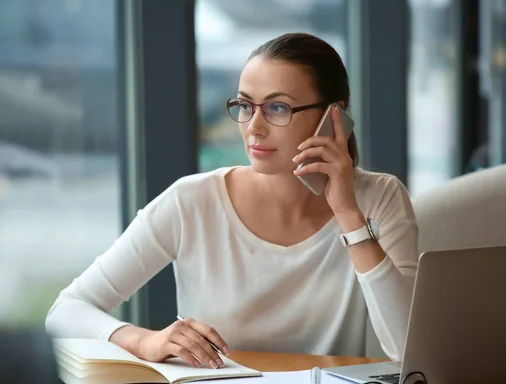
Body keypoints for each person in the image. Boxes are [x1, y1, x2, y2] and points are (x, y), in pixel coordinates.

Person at [45, 33, 419, 369]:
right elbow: (66, 311)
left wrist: (349, 214)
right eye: (245, 105)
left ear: (333, 115)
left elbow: (408, 348)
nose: (254, 126)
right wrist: (145, 340)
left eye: (277, 108)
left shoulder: (380, 198)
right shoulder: (191, 201)